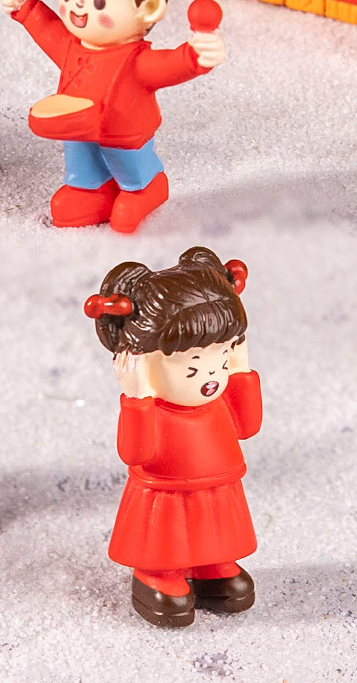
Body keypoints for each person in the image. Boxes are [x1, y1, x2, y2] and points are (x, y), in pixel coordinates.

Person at [0, 0, 225, 232]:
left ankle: (146, 188)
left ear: (149, 7)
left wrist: (197, 54)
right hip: (77, 128)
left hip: (124, 132)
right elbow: (45, 26)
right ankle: (89, 188)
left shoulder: (136, 62)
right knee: (81, 163)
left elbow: (171, 64)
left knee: (130, 167)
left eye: (99, 0)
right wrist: (23, 1)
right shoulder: (71, 46)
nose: (77, 5)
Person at [86, 246, 262, 627]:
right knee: (166, 529)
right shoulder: (154, 409)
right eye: (193, 368)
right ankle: (157, 573)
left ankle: (212, 562)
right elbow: (135, 452)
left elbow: (247, 427)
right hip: (165, 491)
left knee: (215, 523)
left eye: (220, 359)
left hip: (218, 482)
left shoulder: (219, 399)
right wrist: (137, 396)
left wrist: (240, 367)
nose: (211, 377)